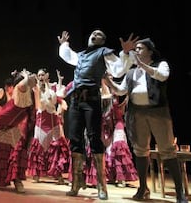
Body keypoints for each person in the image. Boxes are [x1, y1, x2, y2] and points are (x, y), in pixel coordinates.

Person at [57, 30, 138, 200]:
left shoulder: (104, 53)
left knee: (94, 138)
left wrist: (125, 52)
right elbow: (68, 55)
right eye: (93, 33)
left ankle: (102, 185)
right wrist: (64, 44)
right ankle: (77, 182)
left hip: (91, 100)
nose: (94, 35)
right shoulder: (81, 55)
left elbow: (117, 71)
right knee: (75, 139)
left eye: (99, 34)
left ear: (103, 41)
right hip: (76, 101)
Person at [104, 38, 188, 202]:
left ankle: (180, 192)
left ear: (150, 51)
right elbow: (121, 91)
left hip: (158, 112)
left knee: (167, 150)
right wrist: (108, 80)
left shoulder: (160, 64)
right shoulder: (131, 72)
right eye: (134, 49)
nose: (136, 51)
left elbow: (163, 76)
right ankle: (143, 188)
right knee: (140, 150)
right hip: (137, 113)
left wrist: (143, 66)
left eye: (140, 48)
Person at [27, 68, 69, 184]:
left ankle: (58, 174)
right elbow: (38, 105)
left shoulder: (54, 87)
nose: (40, 77)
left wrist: (62, 107)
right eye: (39, 75)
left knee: (58, 147)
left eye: (42, 75)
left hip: (54, 120)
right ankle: (37, 174)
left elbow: (60, 99)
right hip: (42, 121)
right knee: (39, 148)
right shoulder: (36, 89)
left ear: (47, 75)